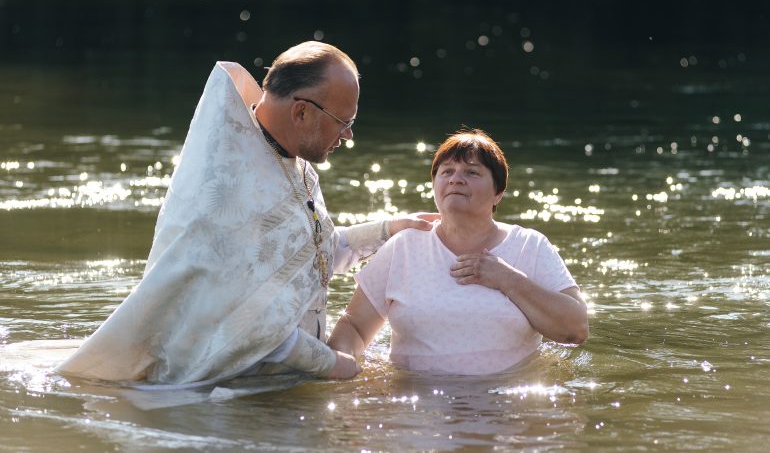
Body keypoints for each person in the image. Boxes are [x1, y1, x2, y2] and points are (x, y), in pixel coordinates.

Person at [55, 41, 435, 386]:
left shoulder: (293, 160)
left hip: (273, 387)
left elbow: (309, 258)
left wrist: (389, 229)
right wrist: (333, 364)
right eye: (344, 122)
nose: (348, 136)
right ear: (302, 112)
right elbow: (249, 323)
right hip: (210, 396)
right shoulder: (226, 192)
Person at [328, 129, 589, 375]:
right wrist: (344, 366)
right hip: (414, 400)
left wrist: (508, 280)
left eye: (472, 172)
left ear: (498, 193)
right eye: (447, 171)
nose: (455, 179)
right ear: (434, 186)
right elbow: (354, 327)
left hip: (504, 400)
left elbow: (576, 328)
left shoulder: (529, 246)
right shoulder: (404, 247)